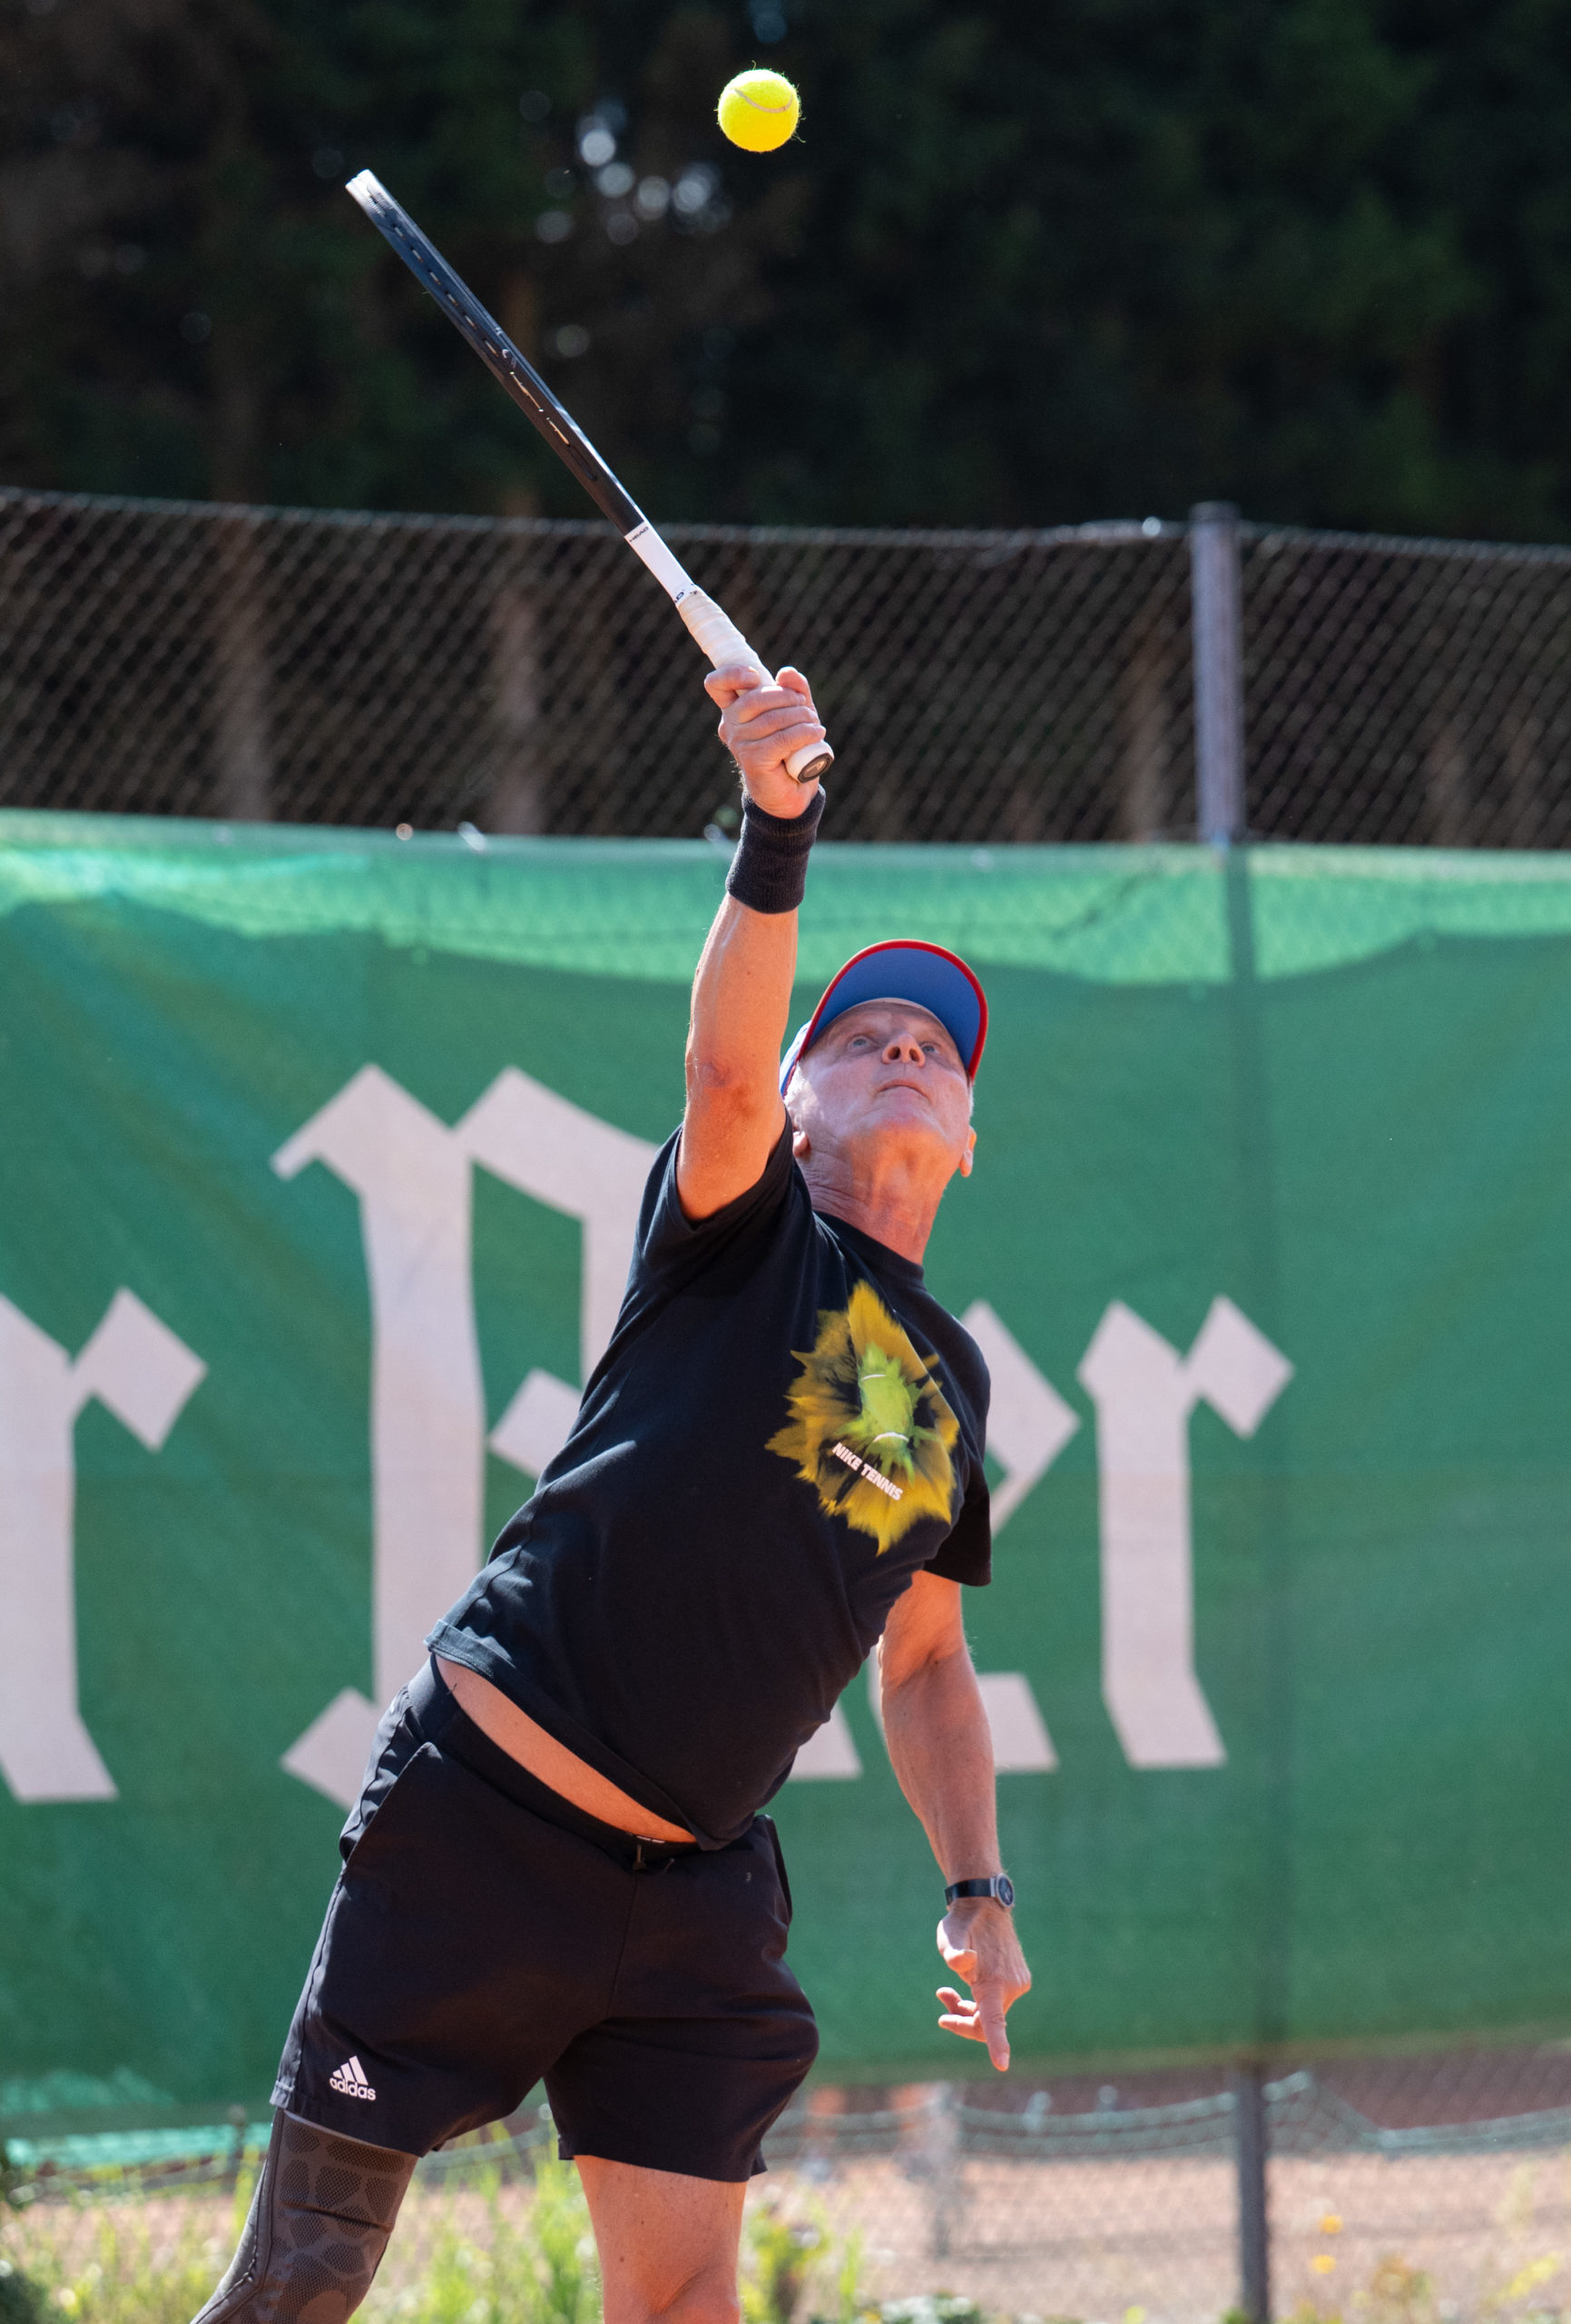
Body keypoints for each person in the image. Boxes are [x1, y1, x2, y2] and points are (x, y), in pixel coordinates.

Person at [193, 661, 1032, 2324]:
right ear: (793, 1106)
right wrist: (776, 827)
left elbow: (927, 1662)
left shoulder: (944, 1389)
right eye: (859, 1037)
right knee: (298, 2286)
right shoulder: (743, 1230)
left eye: (935, 1047)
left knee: (685, 2310)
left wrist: (978, 1891)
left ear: (968, 1135)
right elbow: (720, 1072)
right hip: (482, 1829)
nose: (903, 1049)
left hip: (695, 1904)